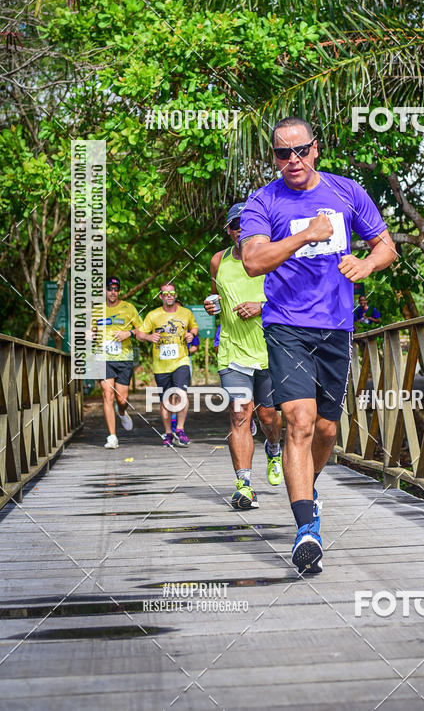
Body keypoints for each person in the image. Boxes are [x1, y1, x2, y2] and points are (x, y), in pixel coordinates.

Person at [240, 117, 396, 573]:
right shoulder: (264, 201)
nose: (293, 160)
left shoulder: (347, 192)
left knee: (327, 430)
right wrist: (305, 235)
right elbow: (253, 261)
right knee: (300, 422)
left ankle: (306, 489)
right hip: (287, 324)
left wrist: (367, 265)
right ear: (273, 157)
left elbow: (386, 246)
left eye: (301, 150)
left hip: (336, 327)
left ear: (316, 149)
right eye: (282, 153)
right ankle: (307, 530)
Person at [205, 201, 283, 510]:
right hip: (232, 351)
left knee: (268, 417)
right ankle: (244, 485)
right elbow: (216, 297)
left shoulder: (272, 256)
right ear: (228, 230)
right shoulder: (218, 260)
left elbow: (290, 299)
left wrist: (261, 307)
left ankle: (274, 448)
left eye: (248, 225)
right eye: (236, 226)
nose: (242, 231)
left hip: (268, 349)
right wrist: (212, 306)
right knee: (240, 414)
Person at [137, 282, 198, 447]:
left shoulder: (186, 312)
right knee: (166, 400)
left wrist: (191, 335)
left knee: (182, 394)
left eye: (171, 293)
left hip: (181, 361)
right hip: (161, 365)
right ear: (160, 296)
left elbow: (194, 327)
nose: (169, 296)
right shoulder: (153, 315)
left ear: (176, 295)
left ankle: (180, 429)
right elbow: (139, 334)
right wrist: (149, 337)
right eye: (165, 294)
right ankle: (168, 433)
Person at [90, 276, 142, 450]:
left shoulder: (128, 308)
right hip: (103, 357)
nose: (113, 292)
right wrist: (89, 335)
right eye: (109, 289)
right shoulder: (97, 310)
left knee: (122, 399)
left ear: (119, 291)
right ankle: (112, 436)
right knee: (107, 393)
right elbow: (90, 331)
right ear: (104, 291)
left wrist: (129, 333)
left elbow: (142, 329)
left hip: (123, 357)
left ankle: (122, 412)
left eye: (116, 289)